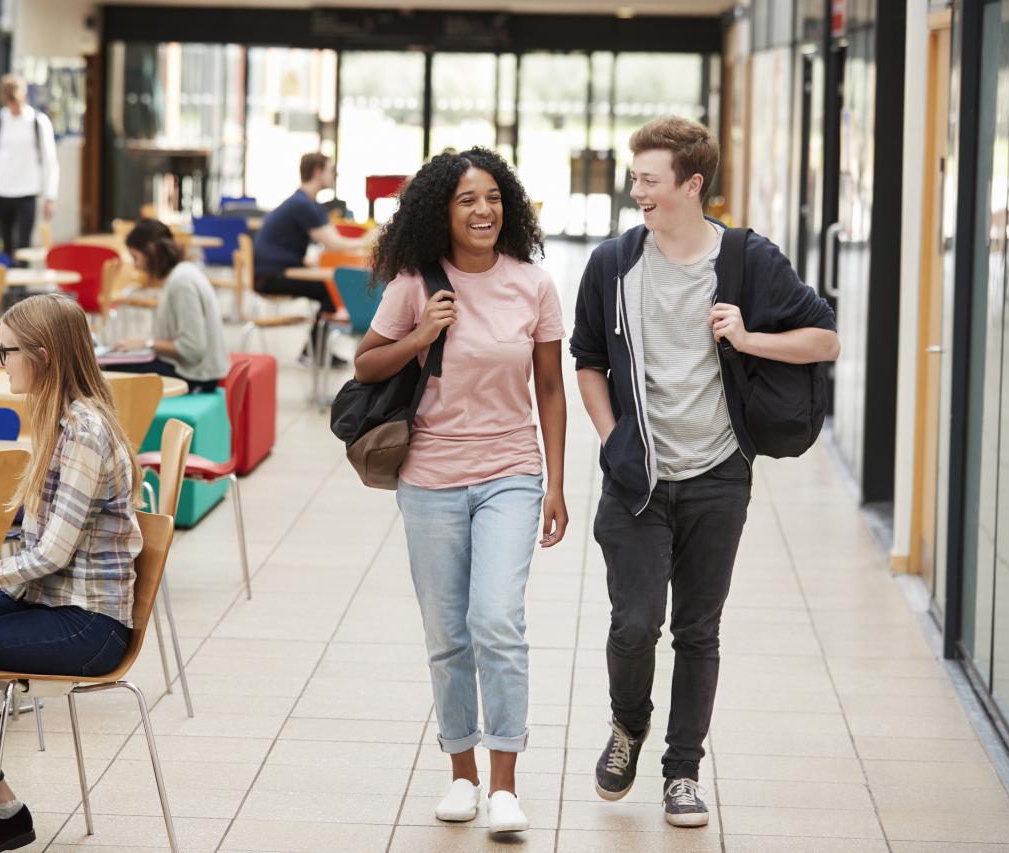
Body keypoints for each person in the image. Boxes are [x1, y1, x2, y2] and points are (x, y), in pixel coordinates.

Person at [568, 116, 840, 827]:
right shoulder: (613, 264)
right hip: (638, 477)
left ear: (692, 185)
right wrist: (611, 439)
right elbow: (588, 361)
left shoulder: (749, 259)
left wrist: (749, 337)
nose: (637, 193)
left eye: (649, 180)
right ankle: (629, 725)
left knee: (697, 630)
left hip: (720, 474)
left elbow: (825, 337)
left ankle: (682, 772)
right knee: (634, 625)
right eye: (635, 179)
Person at [353, 148, 568, 835]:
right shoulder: (417, 283)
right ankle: (462, 774)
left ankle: (505, 783)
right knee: (448, 634)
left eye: (493, 198)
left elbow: (551, 388)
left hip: (511, 471)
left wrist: (556, 482)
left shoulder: (533, 284)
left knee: (498, 618)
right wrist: (423, 332)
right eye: (467, 200)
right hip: (430, 479)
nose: (483, 211)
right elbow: (365, 363)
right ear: (440, 211)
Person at [0, 293, 142, 853]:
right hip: (48, 602)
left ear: (41, 355)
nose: (2, 363)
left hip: (87, 625)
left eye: (6, 351)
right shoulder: (62, 419)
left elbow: (50, 557)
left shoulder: (83, 432)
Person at [253, 151, 373, 365]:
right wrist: (369, 241)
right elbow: (334, 244)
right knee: (329, 289)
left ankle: (314, 349)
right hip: (268, 276)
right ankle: (314, 351)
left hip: (274, 271)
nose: (334, 175)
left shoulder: (305, 203)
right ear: (317, 172)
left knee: (329, 287)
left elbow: (330, 240)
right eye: (330, 170)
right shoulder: (303, 205)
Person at [111, 218, 229, 393]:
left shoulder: (182, 282)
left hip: (196, 376)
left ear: (151, 250)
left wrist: (146, 344)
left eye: (136, 257)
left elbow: (193, 348)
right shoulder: (182, 274)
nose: (136, 266)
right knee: (115, 363)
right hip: (195, 370)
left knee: (109, 370)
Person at [0, 73, 59, 261]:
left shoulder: (38, 121)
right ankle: (8, 286)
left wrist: (50, 195)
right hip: (1, 190)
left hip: (27, 190)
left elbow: (50, 161)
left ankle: (23, 288)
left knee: (24, 245)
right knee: (5, 244)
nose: (14, 105)